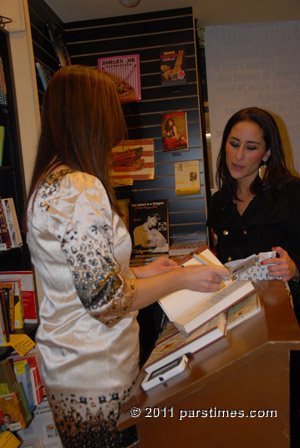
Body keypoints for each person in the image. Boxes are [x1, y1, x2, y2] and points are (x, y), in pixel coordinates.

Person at [26, 65, 229, 447]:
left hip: (76, 364)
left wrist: (143, 270)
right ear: (93, 115)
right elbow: (106, 299)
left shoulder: (52, 180)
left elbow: (83, 278)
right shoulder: (79, 188)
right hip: (93, 371)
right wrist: (181, 279)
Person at [207, 106, 300, 323]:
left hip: (286, 317)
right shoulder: (218, 202)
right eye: (234, 144)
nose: (238, 156)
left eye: (251, 148)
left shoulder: (291, 192)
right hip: (236, 316)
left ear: (266, 153)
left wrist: (295, 268)